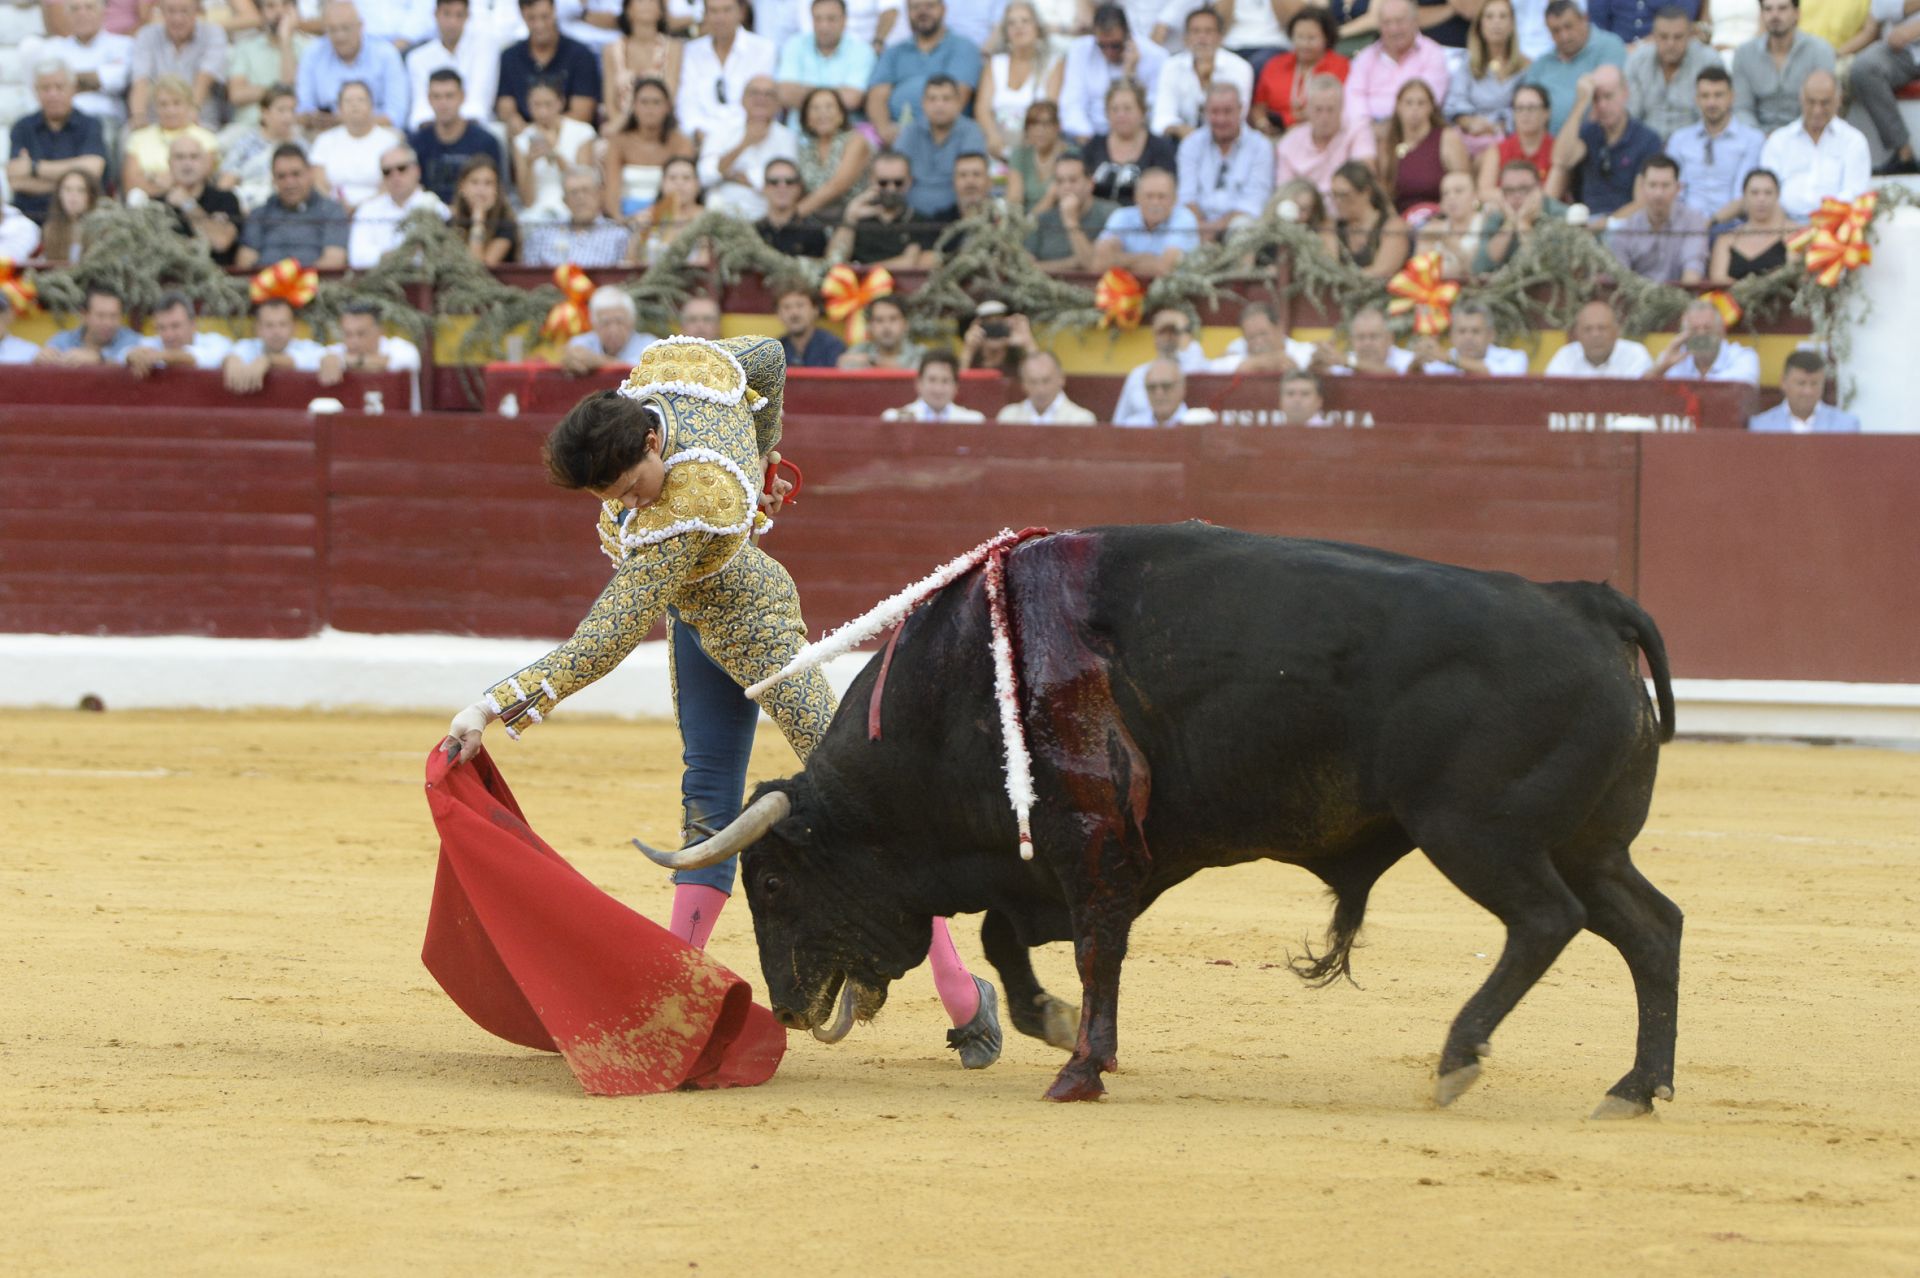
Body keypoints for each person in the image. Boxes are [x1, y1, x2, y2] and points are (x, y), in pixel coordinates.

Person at [442, 337, 1005, 1066]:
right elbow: (766, 357)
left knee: (872, 807)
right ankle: (674, 999)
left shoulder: (692, 500)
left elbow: (607, 637)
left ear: (652, 441)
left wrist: (492, 705)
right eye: (608, 498)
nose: (625, 505)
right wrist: (767, 453)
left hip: (764, 633)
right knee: (707, 801)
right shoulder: (677, 375)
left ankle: (963, 993)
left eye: (628, 485)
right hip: (695, 622)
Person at [1548, 64, 1662, 216]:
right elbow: (1560, 160)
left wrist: (1605, 224)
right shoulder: (1588, 132)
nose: (1602, 105)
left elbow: (1641, 203)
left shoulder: (1647, 139)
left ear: (1625, 93)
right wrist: (1581, 103)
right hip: (1584, 219)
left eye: (1608, 96)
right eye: (1595, 99)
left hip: (1625, 225)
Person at [7, 62, 109, 226]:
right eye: (46, 88)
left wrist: (34, 168)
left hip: (80, 218)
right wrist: (74, 184)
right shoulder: (22, 127)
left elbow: (92, 170)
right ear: (36, 91)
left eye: (59, 87)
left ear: (73, 89)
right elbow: (16, 180)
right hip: (30, 217)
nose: (52, 94)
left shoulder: (90, 124)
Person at [1759, 68, 1871, 214]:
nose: (1817, 110)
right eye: (1811, 102)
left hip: (1834, 225)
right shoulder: (1779, 139)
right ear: (1801, 99)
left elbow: (1854, 192)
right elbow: (1767, 188)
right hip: (1782, 225)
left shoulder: (1853, 141)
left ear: (1838, 101)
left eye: (1825, 103)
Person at [1666, 66, 1768, 225]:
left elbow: (1744, 196)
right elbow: (1673, 192)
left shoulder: (1752, 140)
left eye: (1718, 95)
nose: (1711, 103)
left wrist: (1709, 223)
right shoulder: (1679, 140)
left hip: (1732, 226)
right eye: (1705, 96)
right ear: (1696, 99)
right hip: (1684, 226)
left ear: (1732, 97)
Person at [1175, 83, 1273, 237]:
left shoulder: (1260, 146)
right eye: (1215, 112)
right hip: (1197, 225)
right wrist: (1201, 227)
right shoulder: (1191, 144)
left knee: (1243, 226)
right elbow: (1187, 196)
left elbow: (1254, 201)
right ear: (1205, 112)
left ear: (1241, 110)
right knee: (1181, 221)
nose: (1221, 119)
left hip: (1239, 225)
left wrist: (1215, 228)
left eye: (1227, 111)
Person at [1059, 3, 1168, 140]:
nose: (1108, 51)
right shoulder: (1080, 50)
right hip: (1088, 136)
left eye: (1115, 45)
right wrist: (1089, 141)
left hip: (1136, 137)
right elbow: (1072, 105)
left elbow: (1154, 113)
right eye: (1102, 46)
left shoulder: (1156, 56)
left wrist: (1130, 76)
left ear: (1128, 35)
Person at [296, 1, 409, 130]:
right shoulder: (312, 54)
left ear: (360, 26)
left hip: (376, 132)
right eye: (332, 30)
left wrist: (348, 121)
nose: (340, 36)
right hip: (324, 132)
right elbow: (303, 108)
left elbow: (396, 116)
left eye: (345, 28)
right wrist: (314, 117)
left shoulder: (386, 54)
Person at [675, 0, 775, 145]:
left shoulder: (764, 49)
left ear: (741, 12)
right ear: (705, 15)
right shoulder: (691, 51)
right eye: (713, 11)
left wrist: (729, 137)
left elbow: (760, 101)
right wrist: (697, 132)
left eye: (726, 10)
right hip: (702, 140)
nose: (720, 18)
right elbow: (686, 103)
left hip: (748, 138)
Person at [1520, 0, 1629, 132]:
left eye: (1568, 27)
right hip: (1544, 143)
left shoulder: (1608, 46)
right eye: (1556, 30)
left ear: (1584, 19)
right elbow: (1523, 105)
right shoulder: (1541, 64)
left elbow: (1608, 99)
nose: (1564, 36)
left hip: (1596, 139)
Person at [237, 144, 351, 269]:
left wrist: (295, 283)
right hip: (265, 284)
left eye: (296, 174)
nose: (289, 183)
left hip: (315, 285)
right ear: (273, 180)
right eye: (281, 176)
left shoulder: (331, 211)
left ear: (310, 174)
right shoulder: (259, 213)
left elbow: (334, 260)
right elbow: (245, 262)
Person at [497, 0, 602, 132]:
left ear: (554, 11)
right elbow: (505, 107)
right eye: (532, 18)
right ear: (522, 15)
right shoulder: (510, 56)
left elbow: (583, 113)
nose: (539, 25)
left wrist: (544, 132)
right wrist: (519, 125)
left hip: (568, 135)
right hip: (525, 137)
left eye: (544, 17)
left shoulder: (581, 55)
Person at [978, 0, 1066, 157]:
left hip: (1036, 148)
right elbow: (982, 108)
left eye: (1025, 21)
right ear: (1006, 32)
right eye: (1011, 23)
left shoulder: (1054, 64)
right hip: (997, 146)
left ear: (1037, 28)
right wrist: (993, 136)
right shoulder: (995, 64)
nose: (1019, 27)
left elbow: (1051, 109)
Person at [1734, 0, 1837, 131]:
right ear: (1761, 14)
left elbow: (1823, 107)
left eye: (1782, 8)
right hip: (1757, 139)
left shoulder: (1820, 51)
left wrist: (1786, 140)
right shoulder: (1744, 54)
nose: (1774, 15)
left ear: (1797, 13)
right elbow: (1742, 108)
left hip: (1807, 135)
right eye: (1768, 9)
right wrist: (1757, 138)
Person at [1152, 6, 1252, 141]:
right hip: (1182, 139)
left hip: (1227, 140)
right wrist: (1182, 130)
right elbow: (1161, 118)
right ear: (1185, 38)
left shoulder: (1240, 67)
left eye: (1208, 31)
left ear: (1220, 37)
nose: (1202, 37)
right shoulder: (1171, 66)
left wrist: (1207, 82)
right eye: (1195, 31)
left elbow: (1238, 117)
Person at [829, 149, 944, 267]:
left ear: (909, 181)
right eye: (883, 183)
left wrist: (862, 270)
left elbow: (930, 261)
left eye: (898, 182)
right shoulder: (856, 215)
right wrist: (850, 218)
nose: (891, 189)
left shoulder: (920, 221)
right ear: (871, 180)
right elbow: (834, 262)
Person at [895, 75, 990, 218]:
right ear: (923, 103)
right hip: (911, 215)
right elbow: (896, 173)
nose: (939, 105)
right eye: (932, 99)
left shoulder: (972, 131)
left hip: (957, 215)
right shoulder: (910, 131)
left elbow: (971, 178)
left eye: (946, 99)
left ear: (958, 102)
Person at [601, 74, 695, 217]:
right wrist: (621, 221)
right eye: (644, 102)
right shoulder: (618, 143)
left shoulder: (681, 143)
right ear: (634, 107)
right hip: (626, 218)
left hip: (669, 218)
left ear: (668, 107)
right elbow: (612, 191)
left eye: (656, 102)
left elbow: (685, 190)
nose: (650, 109)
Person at [1605, 152, 1709, 281]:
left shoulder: (1693, 221)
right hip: (1637, 297)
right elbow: (1620, 277)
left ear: (1678, 188)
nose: (1658, 193)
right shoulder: (1626, 228)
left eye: (1665, 185)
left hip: (1682, 296)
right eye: (1653, 185)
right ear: (1642, 187)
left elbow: (1693, 268)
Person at [1344, 0, 1451, 124]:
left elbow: (1429, 100)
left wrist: (1392, 127)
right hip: (1369, 130)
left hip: (1415, 129)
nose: (1394, 29)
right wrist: (1365, 128)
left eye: (1400, 21)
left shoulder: (1432, 54)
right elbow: (1354, 97)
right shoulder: (1366, 57)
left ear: (1415, 21)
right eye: (1387, 23)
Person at [411, 69, 508, 204]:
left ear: (462, 97)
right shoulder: (417, 142)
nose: (443, 103)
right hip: (429, 217)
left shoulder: (486, 142)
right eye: (436, 96)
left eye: (449, 96)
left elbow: (497, 190)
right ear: (429, 99)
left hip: (472, 215)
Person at [120, 74, 222, 201]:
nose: (170, 110)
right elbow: (130, 183)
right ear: (155, 107)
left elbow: (201, 177)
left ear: (189, 104)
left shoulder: (206, 137)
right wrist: (171, 184)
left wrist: (153, 177)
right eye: (163, 104)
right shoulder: (138, 138)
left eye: (177, 103)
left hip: (194, 201)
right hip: (148, 203)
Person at [128, 0, 228, 128]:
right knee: (128, 135)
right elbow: (140, 80)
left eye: (184, 11)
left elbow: (205, 77)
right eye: (171, 11)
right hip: (155, 119)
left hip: (199, 118)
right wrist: (139, 115)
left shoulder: (213, 33)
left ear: (197, 10)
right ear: (161, 11)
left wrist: (192, 110)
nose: (177, 18)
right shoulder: (146, 35)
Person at [1378, 77, 1470, 214]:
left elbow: (1464, 183)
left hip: (1440, 217)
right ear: (1398, 107)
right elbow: (1384, 192)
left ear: (1431, 107)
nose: (1414, 109)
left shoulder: (1447, 138)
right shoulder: (1388, 143)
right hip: (1401, 221)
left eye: (1421, 103)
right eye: (1408, 103)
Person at [1276, 73, 1377, 195]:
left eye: (1330, 109)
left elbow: (1364, 177)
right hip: (1305, 207)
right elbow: (1284, 192)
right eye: (1318, 109)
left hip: (1346, 205)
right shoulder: (1289, 143)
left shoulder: (1358, 130)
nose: (1324, 117)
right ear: (1307, 110)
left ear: (1342, 108)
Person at [1251, 7, 1349, 135]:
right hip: (1274, 135)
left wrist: (1289, 121)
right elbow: (1259, 105)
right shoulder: (1275, 64)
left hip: (1322, 133)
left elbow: (1336, 106)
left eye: (1311, 38)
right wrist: (1262, 124)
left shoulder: (1340, 65)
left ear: (1327, 38)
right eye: (1299, 37)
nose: (1304, 44)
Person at [1848, 0, 1920, 172]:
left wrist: (1913, 30)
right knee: (1863, 68)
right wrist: (1835, 54)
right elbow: (1873, 25)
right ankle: (1904, 154)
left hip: (1907, 40)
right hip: (1903, 52)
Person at [1081, 78, 1179, 204]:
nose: (1121, 115)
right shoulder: (1093, 147)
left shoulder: (1160, 148)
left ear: (1142, 111)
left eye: (1127, 109)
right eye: (1114, 109)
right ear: (1106, 113)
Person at [1624, 8, 1717, 141]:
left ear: (1690, 36)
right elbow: (1631, 115)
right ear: (1653, 36)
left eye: (1678, 37)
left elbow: (1711, 116)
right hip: (1647, 145)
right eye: (1664, 36)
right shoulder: (1637, 62)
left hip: (1694, 143)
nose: (1670, 44)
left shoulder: (1708, 62)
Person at [309, 79, 403, 209]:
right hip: (332, 210)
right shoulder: (324, 140)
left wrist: (361, 208)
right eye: (348, 101)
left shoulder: (390, 141)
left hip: (380, 210)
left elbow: (393, 181)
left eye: (360, 100)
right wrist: (338, 207)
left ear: (371, 106)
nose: (354, 105)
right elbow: (318, 182)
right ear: (339, 108)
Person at [406, 0, 500, 130]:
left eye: (459, 15)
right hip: (432, 132)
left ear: (468, 16)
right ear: (436, 14)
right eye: (447, 14)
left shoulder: (485, 48)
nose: (452, 22)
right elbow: (421, 108)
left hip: (474, 130)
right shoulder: (417, 58)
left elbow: (478, 104)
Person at [1447, 0, 1528, 149]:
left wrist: (1498, 127)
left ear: (1512, 24)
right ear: (1480, 25)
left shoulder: (1525, 67)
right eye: (1489, 17)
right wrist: (1471, 122)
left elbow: (1526, 107)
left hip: (1508, 139)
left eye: (1503, 16)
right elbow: (1454, 102)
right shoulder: (1467, 65)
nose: (1496, 22)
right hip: (1470, 136)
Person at [1110, 305, 1214, 421]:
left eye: (1174, 332)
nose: (1168, 337)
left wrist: (1182, 325)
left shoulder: (1195, 363)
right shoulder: (1138, 374)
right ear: (1154, 336)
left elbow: (1195, 368)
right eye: (1162, 332)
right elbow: (1120, 420)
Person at [513, 77, 597, 217]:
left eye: (548, 104)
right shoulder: (521, 140)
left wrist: (555, 154)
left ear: (561, 103)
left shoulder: (582, 132)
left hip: (575, 207)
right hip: (537, 211)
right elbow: (527, 201)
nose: (543, 112)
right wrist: (529, 164)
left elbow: (584, 183)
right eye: (536, 105)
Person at [41, 0, 134, 127]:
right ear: (67, 15)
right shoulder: (54, 47)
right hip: (64, 121)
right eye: (75, 9)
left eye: (89, 7)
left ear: (103, 12)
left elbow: (116, 82)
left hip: (104, 119)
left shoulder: (123, 44)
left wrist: (65, 82)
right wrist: (96, 79)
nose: (82, 14)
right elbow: (47, 85)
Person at [1093, 165, 1200, 274]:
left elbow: (1164, 269)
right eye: (1149, 196)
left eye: (1161, 196)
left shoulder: (1184, 218)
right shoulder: (1122, 216)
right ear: (1136, 197)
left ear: (1174, 199)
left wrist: (1120, 261)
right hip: (1125, 288)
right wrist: (1146, 258)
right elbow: (1100, 262)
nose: (1155, 203)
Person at [317, 299, 423, 409]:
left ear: (380, 331)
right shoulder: (335, 352)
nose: (354, 341)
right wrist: (329, 360)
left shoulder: (403, 349)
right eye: (348, 334)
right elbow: (320, 358)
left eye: (361, 334)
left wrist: (345, 361)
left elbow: (397, 361)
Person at [228, 0, 312, 133]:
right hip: (248, 127)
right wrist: (274, 91)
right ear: (261, 13)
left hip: (291, 128)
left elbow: (288, 87)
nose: (279, 12)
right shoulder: (245, 48)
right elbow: (236, 94)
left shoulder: (308, 48)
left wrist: (285, 42)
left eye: (285, 5)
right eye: (271, 6)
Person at [160, 132, 244, 266]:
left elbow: (220, 242)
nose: (187, 164)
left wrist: (188, 204)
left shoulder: (225, 199)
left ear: (205, 163)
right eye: (179, 157)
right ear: (169, 163)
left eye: (194, 157)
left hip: (217, 280)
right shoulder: (156, 205)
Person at [792, 86, 872, 222]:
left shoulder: (856, 140)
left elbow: (838, 185)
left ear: (841, 114)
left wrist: (795, 215)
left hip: (853, 218)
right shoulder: (805, 149)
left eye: (829, 107)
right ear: (806, 118)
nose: (822, 113)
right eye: (815, 108)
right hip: (814, 220)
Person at [777, 0, 874, 113]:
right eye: (818, 19)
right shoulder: (795, 44)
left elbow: (851, 100)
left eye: (831, 19)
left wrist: (804, 92)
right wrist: (837, 93)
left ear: (844, 20)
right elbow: (785, 95)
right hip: (797, 129)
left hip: (844, 129)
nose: (824, 26)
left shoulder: (862, 50)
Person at [525, 164, 631, 264]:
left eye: (586, 191)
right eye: (573, 192)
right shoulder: (543, 234)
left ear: (599, 195)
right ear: (564, 201)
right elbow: (530, 277)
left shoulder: (619, 235)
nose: (580, 198)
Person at [1473, 156, 1565, 269]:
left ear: (1539, 189)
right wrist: (1509, 223)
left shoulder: (1558, 214)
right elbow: (1479, 267)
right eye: (1509, 190)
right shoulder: (1498, 216)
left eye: (1524, 189)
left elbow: (1546, 267)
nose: (1516, 195)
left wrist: (1524, 224)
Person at [1026, 151, 1114, 270]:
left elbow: (1092, 265)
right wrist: (1072, 263)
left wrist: (1071, 221)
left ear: (1090, 184)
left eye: (1073, 180)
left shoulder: (1111, 214)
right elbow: (1026, 267)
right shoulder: (1042, 218)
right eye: (1060, 181)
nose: (1066, 187)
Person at [1323, 160, 1410, 278]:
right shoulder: (1334, 229)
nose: (1337, 202)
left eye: (1344, 195)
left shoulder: (1392, 226)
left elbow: (1383, 271)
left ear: (1366, 192)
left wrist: (1344, 277)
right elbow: (1327, 269)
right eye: (1334, 195)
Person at [219, 297, 326, 392]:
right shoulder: (247, 346)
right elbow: (227, 355)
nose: (276, 331)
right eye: (269, 325)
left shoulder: (308, 348)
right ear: (258, 328)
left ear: (294, 327)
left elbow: (325, 357)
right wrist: (230, 360)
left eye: (282, 324)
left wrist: (267, 361)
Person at [1647, 297, 1762, 384]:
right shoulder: (1674, 356)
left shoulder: (1743, 356)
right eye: (1694, 329)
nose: (1701, 334)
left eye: (1707, 328)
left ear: (1721, 332)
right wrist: (1662, 368)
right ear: (1684, 334)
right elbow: (1639, 394)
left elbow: (1736, 387)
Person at [1709, 167, 1798, 280]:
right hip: (1732, 297)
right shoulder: (1726, 239)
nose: (1761, 199)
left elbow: (1793, 273)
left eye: (1768, 193)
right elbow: (1718, 279)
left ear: (1777, 195)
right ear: (1744, 196)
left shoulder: (1792, 234)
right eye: (1754, 193)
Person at [605, 0, 683, 125]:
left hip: (661, 126)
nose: (647, 4)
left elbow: (670, 94)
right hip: (621, 126)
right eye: (641, 1)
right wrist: (623, 127)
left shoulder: (674, 48)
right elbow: (609, 102)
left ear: (661, 11)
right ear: (628, 10)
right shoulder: (611, 50)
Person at [1475, 80, 1554, 201]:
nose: (1525, 113)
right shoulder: (1498, 150)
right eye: (1519, 108)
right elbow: (1484, 192)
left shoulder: (1557, 149)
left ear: (1546, 113)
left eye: (1532, 108)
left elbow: (1552, 195)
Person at [125, 295, 234, 380]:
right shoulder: (151, 343)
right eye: (161, 328)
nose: (169, 335)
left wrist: (158, 356)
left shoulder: (216, 342)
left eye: (175, 326)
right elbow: (124, 353)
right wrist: (132, 356)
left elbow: (202, 358)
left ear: (193, 325)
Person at [1748, 348, 1861, 430]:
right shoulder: (1761, 426)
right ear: (1783, 382)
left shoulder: (1846, 426)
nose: (1808, 391)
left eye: (1815, 383)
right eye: (1801, 383)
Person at [628, 153, 705, 264]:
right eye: (672, 178)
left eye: (686, 178)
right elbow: (630, 263)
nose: (679, 183)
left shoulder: (707, 218)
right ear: (662, 184)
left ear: (697, 185)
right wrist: (637, 235)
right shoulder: (648, 216)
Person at [1544, 298, 1653, 376]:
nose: (1595, 335)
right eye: (1587, 329)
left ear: (1617, 331)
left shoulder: (1635, 355)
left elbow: (1639, 399)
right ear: (1577, 334)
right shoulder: (1565, 357)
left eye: (1602, 328)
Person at [1415, 300, 1529, 374]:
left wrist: (1449, 359)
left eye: (1476, 331)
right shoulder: (1440, 360)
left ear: (1491, 335)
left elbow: (1500, 375)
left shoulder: (1514, 358)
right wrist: (1418, 360)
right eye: (1462, 331)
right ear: (1451, 336)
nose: (1468, 337)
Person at [561, 284, 655, 372]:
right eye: (605, 323)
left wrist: (599, 362)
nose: (613, 330)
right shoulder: (583, 342)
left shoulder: (649, 345)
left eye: (619, 322)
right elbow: (572, 354)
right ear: (594, 325)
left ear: (631, 322)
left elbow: (639, 371)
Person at [37, 285, 140, 366]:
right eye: (101, 316)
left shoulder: (131, 340)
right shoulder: (63, 340)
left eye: (114, 316)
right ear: (84, 315)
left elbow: (132, 362)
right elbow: (43, 361)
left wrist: (99, 360)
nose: (108, 323)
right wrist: (43, 358)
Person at [1004, 99, 1073, 214]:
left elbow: (1053, 198)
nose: (1040, 130)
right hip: (1023, 222)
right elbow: (1014, 199)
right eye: (1033, 125)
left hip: (1059, 219)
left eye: (1046, 124)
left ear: (1058, 126)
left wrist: (1030, 221)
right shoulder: (1020, 154)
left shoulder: (1070, 156)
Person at [449, 153, 520, 263]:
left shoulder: (505, 224)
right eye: (474, 182)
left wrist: (478, 222)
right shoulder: (451, 221)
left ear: (497, 189)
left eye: (488, 183)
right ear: (462, 187)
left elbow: (478, 267)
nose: (481, 190)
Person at [754, 158, 831, 255]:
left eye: (789, 181)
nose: (782, 187)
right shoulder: (752, 232)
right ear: (764, 188)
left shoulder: (814, 233)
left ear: (799, 188)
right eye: (774, 182)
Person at [882, 349, 988, 419]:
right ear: (918, 383)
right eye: (932, 380)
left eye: (945, 381)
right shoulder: (893, 418)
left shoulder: (972, 421)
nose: (938, 389)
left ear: (956, 386)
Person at [997, 349, 1096, 422]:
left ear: (1061, 379)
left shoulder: (1080, 420)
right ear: (1023, 384)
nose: (1040, 390)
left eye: (1046, 381)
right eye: (1033, 382)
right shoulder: (1008, 417)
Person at [1318, 304, 1415, 374]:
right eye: (1360, 337)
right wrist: (1317, 364)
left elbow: (1394, 373)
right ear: (1351, 340)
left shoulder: (1408, 360)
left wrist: (1348, 362)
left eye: (1373, 336)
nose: (1367, 343)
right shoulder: (1344, 361)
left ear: (1390, 339)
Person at [1117, 357, 1216, 425]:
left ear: (1182, 388)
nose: (1158, 393)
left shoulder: (1198, 424)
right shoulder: (1131, 426)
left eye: (1166, 386)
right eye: (1152, 387)